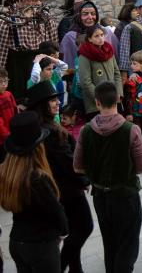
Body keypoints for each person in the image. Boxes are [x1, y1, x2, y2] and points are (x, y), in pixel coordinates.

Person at [74, 82, 142, 273]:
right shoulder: (131, 129)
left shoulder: (86, 131)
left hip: (101, 196)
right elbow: (141, 167)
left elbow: (78, 166)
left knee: (110, 242)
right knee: (128, 244)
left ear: (97, 103)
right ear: (117, 100)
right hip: (126, 195)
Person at [24, 81, 92, 273]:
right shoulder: (51, 133)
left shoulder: (41, 127)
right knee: (83, 228)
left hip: (56, 190)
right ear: (41, 105)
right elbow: (68, 163)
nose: (57, 104)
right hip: (68, 191)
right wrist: (84, 180)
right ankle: (61, 266)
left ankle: (76, 269)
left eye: (56, 99)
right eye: (52, 101)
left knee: (73, 230)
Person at [0, 111, 68, 273]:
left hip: (16, 241)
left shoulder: (8, 173)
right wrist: (62, 232)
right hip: (41, 245)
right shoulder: (37, 179)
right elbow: (56, 212)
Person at [0, 0, 58, 102]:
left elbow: (54, 43)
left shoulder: (43, 16)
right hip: (19, 67)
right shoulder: (8, 19)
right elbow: (2, 52)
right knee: (23, 101)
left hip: (40, 62)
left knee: (43, 100)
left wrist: (55, 63)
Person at [77, 25, 123, 120]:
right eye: (96, 36)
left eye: (102, 35)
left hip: (113, 100)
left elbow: (117, 73)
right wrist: (100, 98)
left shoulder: (109, 51)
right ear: (90, 39)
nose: (100, 38)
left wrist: (118, 93)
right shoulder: (85, 55)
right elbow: (86, 82)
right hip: (96, 104)